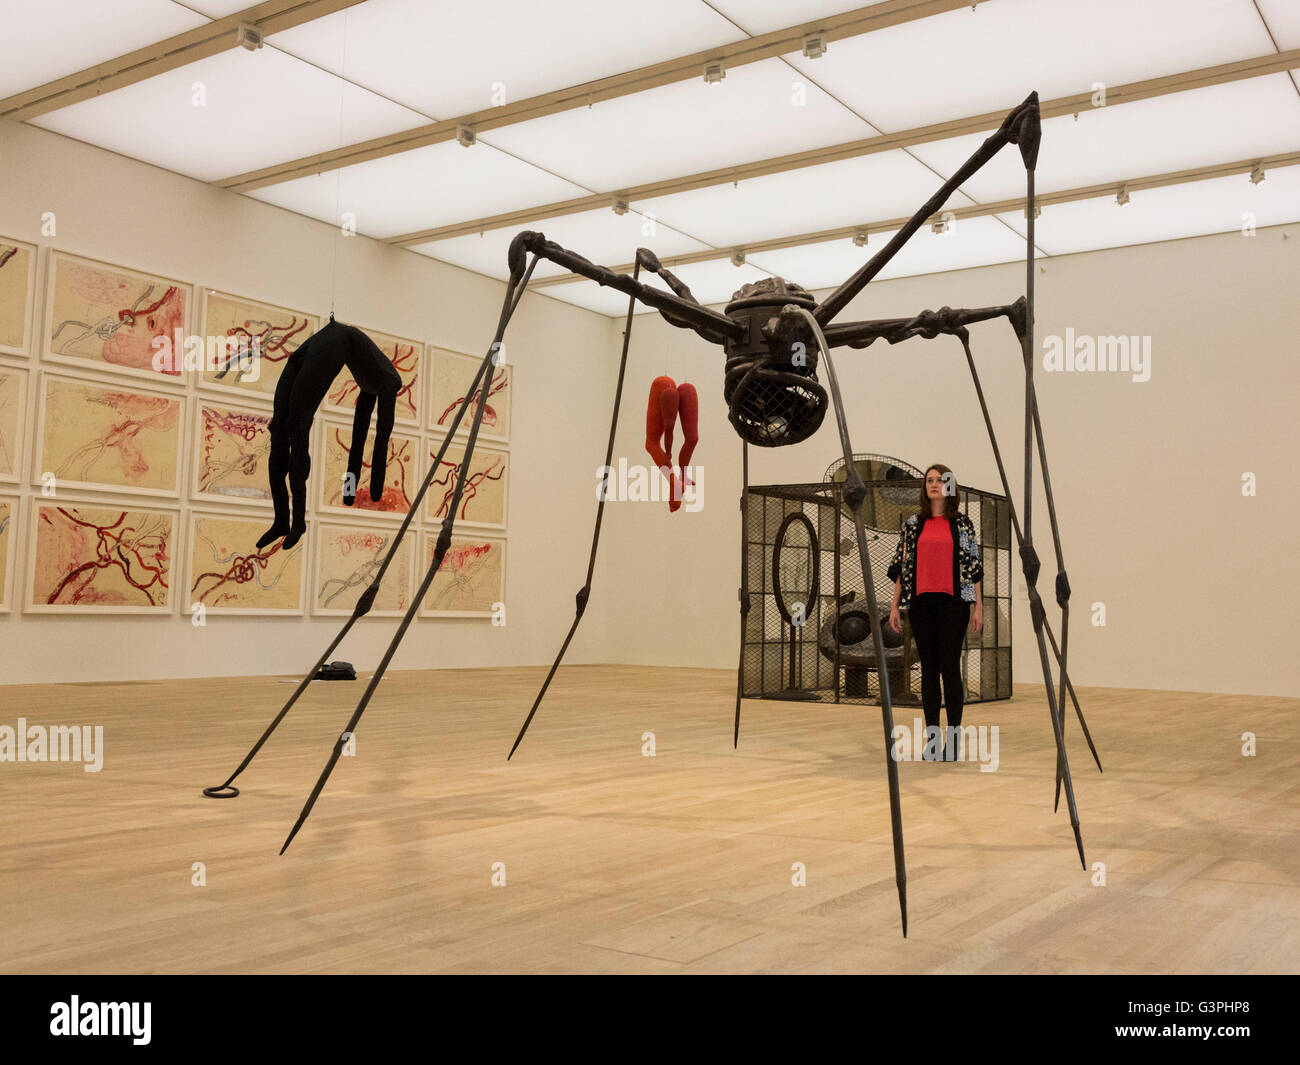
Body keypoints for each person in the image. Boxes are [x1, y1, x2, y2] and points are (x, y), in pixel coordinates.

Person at [887, 464, 984, 761]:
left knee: (949, 668)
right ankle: (932, 740)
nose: (933, 484)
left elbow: (974, 567)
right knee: (929, 671)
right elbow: (901, 567)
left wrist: (978, 605)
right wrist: (895, 605)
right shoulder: (913, 524)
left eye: (940, 480)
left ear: (949, 486)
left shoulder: (963, 524)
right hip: (921, 604)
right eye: (929, 480)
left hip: (954, 605)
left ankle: (953, 743)